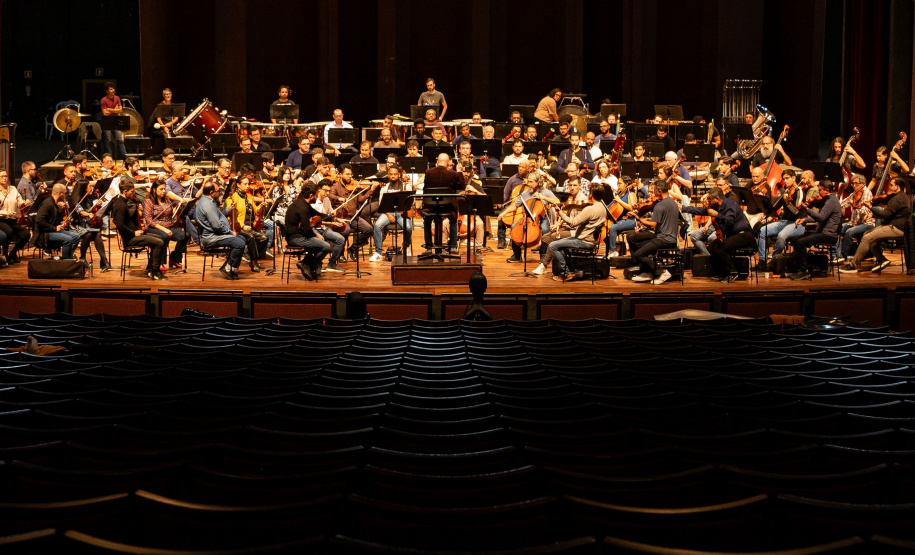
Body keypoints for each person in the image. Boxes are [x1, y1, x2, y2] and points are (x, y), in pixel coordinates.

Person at [840, 176, 911, 274]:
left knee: (867, 237)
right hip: (894, 226)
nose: (889, 187)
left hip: (897, 228)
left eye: (891, 185)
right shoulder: (901, 197)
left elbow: (885, 215)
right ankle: (882, 260)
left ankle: (853, 265)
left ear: (897, 187)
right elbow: (888, 213)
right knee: (869, 237)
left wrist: (870, 207)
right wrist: (872, 213)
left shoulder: (898, 198)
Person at [548, 183, 608, 282]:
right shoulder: (603, 207)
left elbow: (573, 223)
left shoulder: (590, 209)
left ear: (591, 195)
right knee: (559, 245)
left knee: (552, 246)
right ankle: (571, 271)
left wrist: (560, 212)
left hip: (584, 241)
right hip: (590, 241)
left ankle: (565, 274)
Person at [786, 180, 842, 280]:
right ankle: (800, 267)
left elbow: (820, 218)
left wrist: (808, 210)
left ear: (827, 190)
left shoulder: (831, 201)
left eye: (820, 190)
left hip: (828, 235)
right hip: (821, 232)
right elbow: (821, 217)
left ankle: (804, 271)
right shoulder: (828, 200)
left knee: (800, 242)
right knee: (794, 240)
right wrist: (805, 219)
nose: (818, 193)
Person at [532, 176, 589, 275]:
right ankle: (561, 257)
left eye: (575, 185)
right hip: (569, 228)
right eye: (570, 185)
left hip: (576, 232)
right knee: (545, 238)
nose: (572, 188)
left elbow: (577, 223)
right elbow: (569, 218)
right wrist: (558, 225)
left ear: (580, 186)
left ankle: (544, 265)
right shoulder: (571, 198)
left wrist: (563, 226)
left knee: (554, 238)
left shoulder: (582, 200)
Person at [498, 171, 558, 264]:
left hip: (541, 218)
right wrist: (504, 212)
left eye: (531, 182)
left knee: (545, 230)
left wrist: (543, 197)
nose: (528, 184)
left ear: (538, 182)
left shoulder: (546, 192)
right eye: (528, 181)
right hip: (526, 218)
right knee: (514, 226)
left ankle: (543, 256)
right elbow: (515, 205)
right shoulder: (526, 193)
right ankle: (517, 255)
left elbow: (557, 201)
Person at [626, 180, 679, 284]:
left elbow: (653, 225)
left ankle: (662, 271)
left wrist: (640, 220)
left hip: (663, 239)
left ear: (659, 191)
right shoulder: (673, 203)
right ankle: (647, 272)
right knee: (640, 245)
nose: (653, 193)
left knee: (638, 254)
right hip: (672, 239)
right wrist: (639, 217)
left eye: (654, 191)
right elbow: (660, 220)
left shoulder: (659, 205)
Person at [111, 182, 167, 279]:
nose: (134, 194)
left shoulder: (121, 202)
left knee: (159, 237)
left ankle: (151, 268)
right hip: (129, 239)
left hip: (132, 235)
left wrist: (139, 230)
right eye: (132, 192)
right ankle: (155, 272)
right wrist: (134, 232)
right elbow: (120, 225)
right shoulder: (122, 206)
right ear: (125, 191)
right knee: (159, 242)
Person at [755, 169, 805, 272]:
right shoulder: (786, 192)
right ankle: (762, 261)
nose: (785, 181)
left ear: (794, 178)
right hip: (783, 222)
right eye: (783, 179)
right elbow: (775, 207)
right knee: (762, 231)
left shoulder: (799, 191)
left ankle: (774, 261)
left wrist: (787, 203)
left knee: (781, 236)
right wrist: (767, 215)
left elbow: (797, 212)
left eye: (787, 178)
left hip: (796, 223)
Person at [195, 181, 246, 279]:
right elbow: (216, 226)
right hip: (212, 237)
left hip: (216, 234)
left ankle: (230, 267)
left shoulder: (208, 200)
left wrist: (229, 209)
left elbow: (219, 216)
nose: (219, 193)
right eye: (218, 191)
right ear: (211, 192)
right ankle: (228, 268)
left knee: (242, 239)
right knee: (239, 243)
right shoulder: (208, 205)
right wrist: (231, 232)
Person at [284, 182, 333, 281]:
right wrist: (316, 236)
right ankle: (306, 264)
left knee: (320, 243)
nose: (317, 197)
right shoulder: (303, 208)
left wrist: (333, 218)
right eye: (315, 195)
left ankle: (309, 268)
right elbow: (306, 229)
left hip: (297, 235)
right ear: (311, 196)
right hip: (295, 238)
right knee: (326, 246)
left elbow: (317, 214)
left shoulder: (302, 202)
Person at [329, 163, 376, 258]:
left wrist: (371, 190)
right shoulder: (335, 186)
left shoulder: (355, 185)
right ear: (340, 174)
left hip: (353, 217)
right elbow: (330, 196)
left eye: (350, 174)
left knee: (369, 229)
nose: (350, 176)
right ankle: (340, 254)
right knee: (346, 231)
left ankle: (353, 248)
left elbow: (360, 200)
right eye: (347, 174)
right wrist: (339, 199)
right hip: (341, 217)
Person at [422, 153, 465, 255]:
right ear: (448, 163)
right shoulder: (453, 174)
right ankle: (453, 246)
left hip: (431, 206)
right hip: (448, 207)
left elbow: (425, 189)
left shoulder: (428, 172)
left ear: (437, 162)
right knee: (453, 221)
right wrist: (459, 171)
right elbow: (462, 186)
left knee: (427, 221)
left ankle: (428, 247)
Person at [369, 164, 413, 262]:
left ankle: (406, 247)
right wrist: (388, 215)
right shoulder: (384, 188)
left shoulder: (406, 186)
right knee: (377, 225)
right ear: (388, 175)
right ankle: (378, 253)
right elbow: (381, 204)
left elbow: (410, 202)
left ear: (399, 175)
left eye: (395, 174)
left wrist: (402, 210)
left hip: (402, 213)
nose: (393, 176)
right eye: (391, 174)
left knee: (408, 227)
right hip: (388, 213)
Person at [142, 179, 189, 271]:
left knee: (184, 236)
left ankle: (174, 258)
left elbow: (171, 214)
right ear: (154, 189)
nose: (163, 191)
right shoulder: (148, 201)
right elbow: (149, 220)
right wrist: (164, 229)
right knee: (165, 236)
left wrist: (178, 207)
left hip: (168, 226)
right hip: (153, 227)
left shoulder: (166, 199)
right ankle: (159, 262)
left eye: (164, 189)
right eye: (161, 189)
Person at [225, 175, 269, 272]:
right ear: (238, 185)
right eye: (245, 184)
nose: (247, 186)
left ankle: (252, 256)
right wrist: (243, 226)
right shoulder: (232, 197)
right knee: (251, 237)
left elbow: (255, 210)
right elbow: (231, 216)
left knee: (264, 238)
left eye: (248, 184)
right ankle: (253, 261)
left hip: (250, 226)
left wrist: (261, 206)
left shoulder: (248, 196)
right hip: (238, 227)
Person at [67, 179, 108, 269]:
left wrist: (96, 206)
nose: (91, 188)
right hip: (76, 225)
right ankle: (82, 257)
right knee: (88, 234)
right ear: (83, 188)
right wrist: (88, 214)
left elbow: (91, 210)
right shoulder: (75, 199)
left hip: (86, 224)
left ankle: (103, 259)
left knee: (97, 233)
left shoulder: (88, 197)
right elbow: (81, 212)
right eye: (89, 186)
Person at [35, 183, 81, 260]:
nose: (66, 195)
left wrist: (63, 209)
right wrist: (54, 228)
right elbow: (39, 220)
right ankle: (66, 261)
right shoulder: (47, 204)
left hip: (52, 230)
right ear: (59, 194)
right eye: (65, 193)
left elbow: (56, 219)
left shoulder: (55, 203)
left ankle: (69, 257)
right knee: (68, 239)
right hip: (44, 233)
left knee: (76, 237)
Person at [836, 174, 874, 263]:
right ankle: (838, 255)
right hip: (854, 223)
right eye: (853, 184)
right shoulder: (853, 194)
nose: (854, 186)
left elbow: (864, 211)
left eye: (856, 183)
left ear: (863, 184)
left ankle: (844, 256)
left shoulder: (867, 192)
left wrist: (854, 205)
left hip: (867, 223)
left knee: (849, 232)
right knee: (837, 228)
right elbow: (842, 204)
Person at [0, 168, 31, 264]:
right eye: (2, 176)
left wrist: (24, 203)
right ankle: (5, 253)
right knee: (9, 232)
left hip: (12, 219)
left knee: (26, 234)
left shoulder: (13, 189)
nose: (4, 178)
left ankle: (13, 253)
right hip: (1, 219)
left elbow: (20, 202)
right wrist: (5, 213)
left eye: (6, 176)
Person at [100, 82, 127, 159]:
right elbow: (105, 113)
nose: (113, 90)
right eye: (111, 89)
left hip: (115, 121)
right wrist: (115, 110)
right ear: (107, 91)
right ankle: (109, 158)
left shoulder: (117, 98)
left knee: (120, 140)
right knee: (108, 141)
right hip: (107, 121)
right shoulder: (103, 100)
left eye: (113, 88)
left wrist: (110, 110)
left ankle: (125, 158)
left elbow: (120, 110)